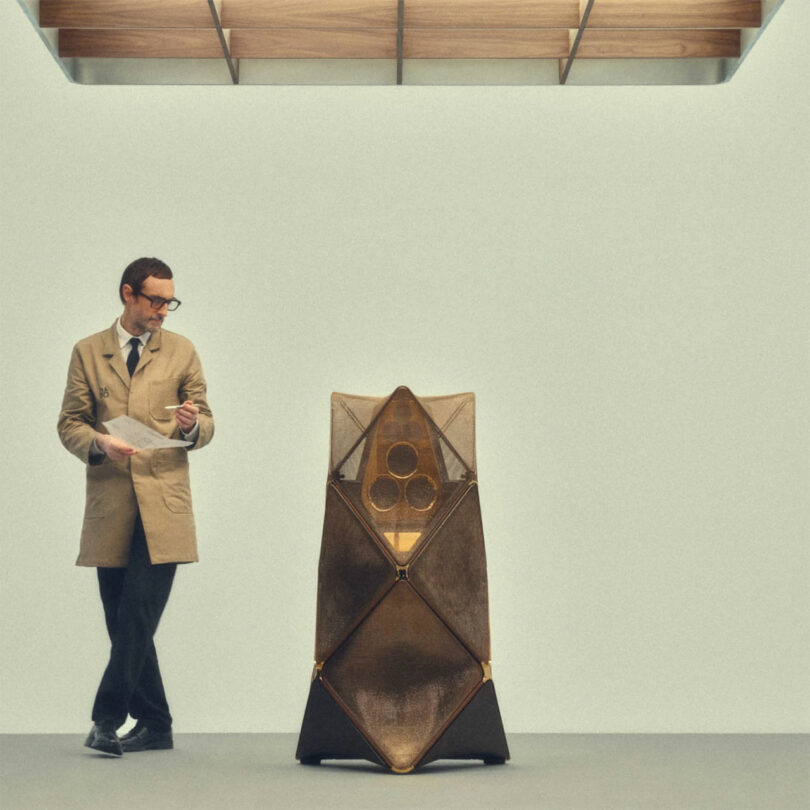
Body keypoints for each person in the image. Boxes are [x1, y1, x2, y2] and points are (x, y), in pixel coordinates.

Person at [57, 257, 214, 756]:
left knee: (138, 614)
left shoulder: (182, 352)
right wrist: (101, 444)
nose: (164, 311)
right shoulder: (88, 351)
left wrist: (190, 424)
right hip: (111, 504)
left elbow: (206, 422)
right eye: (155, 300)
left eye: (170, 301)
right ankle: (157, 723)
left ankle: (105, 720)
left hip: (163, 505)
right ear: (128, 294)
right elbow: (71, 423)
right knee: (119, 617)